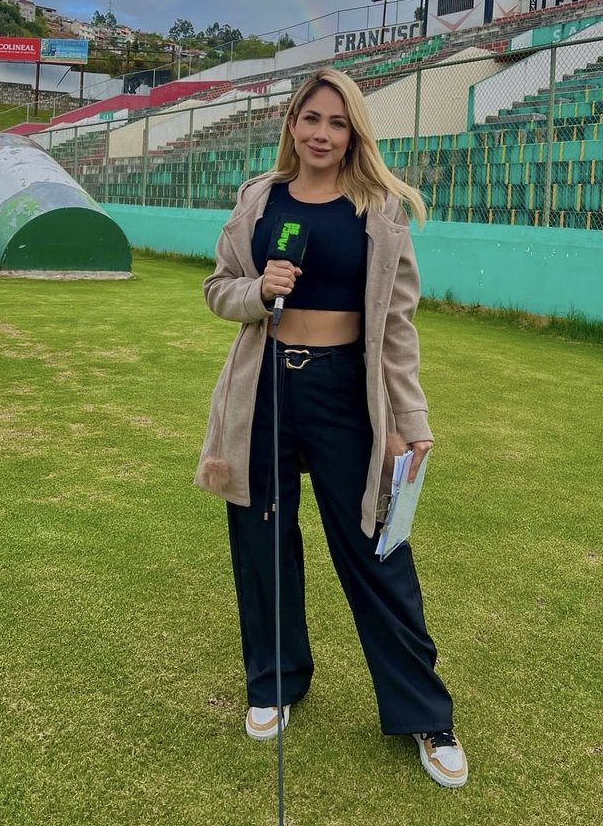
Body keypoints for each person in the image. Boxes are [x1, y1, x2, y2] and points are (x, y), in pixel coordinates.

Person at [195, 68, 468, 789]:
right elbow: (218, 288)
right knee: (261, 539)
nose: (320, 133)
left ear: (354, 133)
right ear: (291, 124)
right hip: (263, 390)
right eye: (309, 118)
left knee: (376, 547)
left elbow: (399, 326)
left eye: (336, 122)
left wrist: (410, 421)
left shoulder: (378, 209)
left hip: (348, 394)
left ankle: (424, 714)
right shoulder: (260, 197)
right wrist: (258, 292)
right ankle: (275, 680)